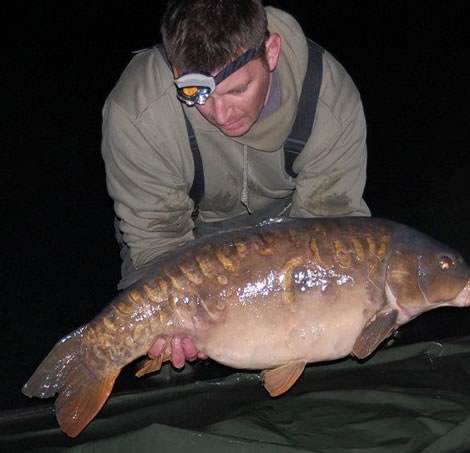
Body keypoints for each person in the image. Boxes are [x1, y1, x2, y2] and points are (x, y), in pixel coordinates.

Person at [101, 0, 370, 370]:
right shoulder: (137, 110)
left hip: (289, 226)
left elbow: (330, 231)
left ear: (271, 52)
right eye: (197, 94)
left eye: (238, 90)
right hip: (184, 232)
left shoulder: (328, 100)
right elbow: (158, 240)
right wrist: (182, 315)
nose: (220, 115)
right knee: (168, 357)